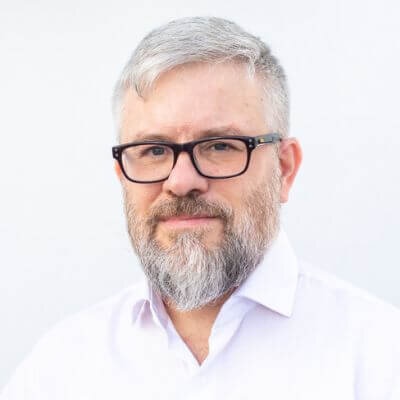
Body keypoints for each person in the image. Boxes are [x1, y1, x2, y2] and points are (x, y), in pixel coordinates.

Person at [2, 16, 399, 400]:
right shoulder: (58, 372)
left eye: (220, 145)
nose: (181, 181)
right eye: (154, 151)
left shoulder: (380, 360)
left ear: (284, 169)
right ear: (122, 175)